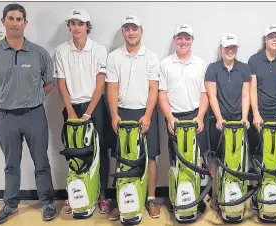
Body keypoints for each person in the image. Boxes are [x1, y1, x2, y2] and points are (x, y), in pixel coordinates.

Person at [0, 3, 57, 225]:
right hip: (6, 117)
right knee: (11, 163)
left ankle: (47, 202)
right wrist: (7, 98)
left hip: (34, 115)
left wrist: (30, 99)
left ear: (25, 24)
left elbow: (48, 84)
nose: (15, 22)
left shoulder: (39, 53)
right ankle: (10, 205)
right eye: (11, 18)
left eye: (19, 19)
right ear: (3, 22)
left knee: (41, 162)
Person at [54, 9, 112, 214]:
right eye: (73, 23)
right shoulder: (61, 50)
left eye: (80, 23)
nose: (76, 27)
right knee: (75, 152)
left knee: (100, 151)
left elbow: (100, 84)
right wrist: (70, 111)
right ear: (69, 26)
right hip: (72, 108)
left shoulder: (99, 49)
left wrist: (88, 113)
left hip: (95, 107)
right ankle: (75, 193)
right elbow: (61, 84)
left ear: (87, 26)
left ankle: (102, 195)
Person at [105, 15, 161, 220]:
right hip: (122, 112)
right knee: (121, 158)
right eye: (127, 29)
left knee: (151, 157)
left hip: (145, 112)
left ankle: (151, 198)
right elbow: (112, 87)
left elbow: (154, 87)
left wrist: (147, 115)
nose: (131, 33)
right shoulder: (114, 57)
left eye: (134, 28)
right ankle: (121, 200)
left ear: (141, 31)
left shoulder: (151, 57)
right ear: (123, 32)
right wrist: (114, 115)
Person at [158, 23, 209, 213]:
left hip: (195, 116)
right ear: (174, 40)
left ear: (192, 41)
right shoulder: (165, 64)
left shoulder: (201, 64)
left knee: (197, 160)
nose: (183, 41)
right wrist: (170, 117)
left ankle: (198, 198)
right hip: (175, 118)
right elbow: (161, 94)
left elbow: (205, 94)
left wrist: (201, 116)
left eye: (187, 38)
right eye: (180, 38)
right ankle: (176, 197)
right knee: (176, 160)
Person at [204, 33, 251, 211]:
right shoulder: (213, 68)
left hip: (238, 121)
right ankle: (215, 196)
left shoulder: (244, 68)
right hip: (218, 121)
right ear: (221, 49)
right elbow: (212, 96)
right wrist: (218, 118)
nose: (230, 51)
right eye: (227, 48)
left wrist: (244, 117)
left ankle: (236, 194)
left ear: (237, 49)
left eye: (233, 48)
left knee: (236, 159)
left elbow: (246, 94)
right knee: (215, 159)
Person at [248, 24, 276, 141]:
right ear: (265, 40)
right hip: (260, 114)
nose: (274, 40)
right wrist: (256, 114)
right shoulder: (254, 60)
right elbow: (252, 90)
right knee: (260, 152)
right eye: (270, 37)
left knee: (275, 151)